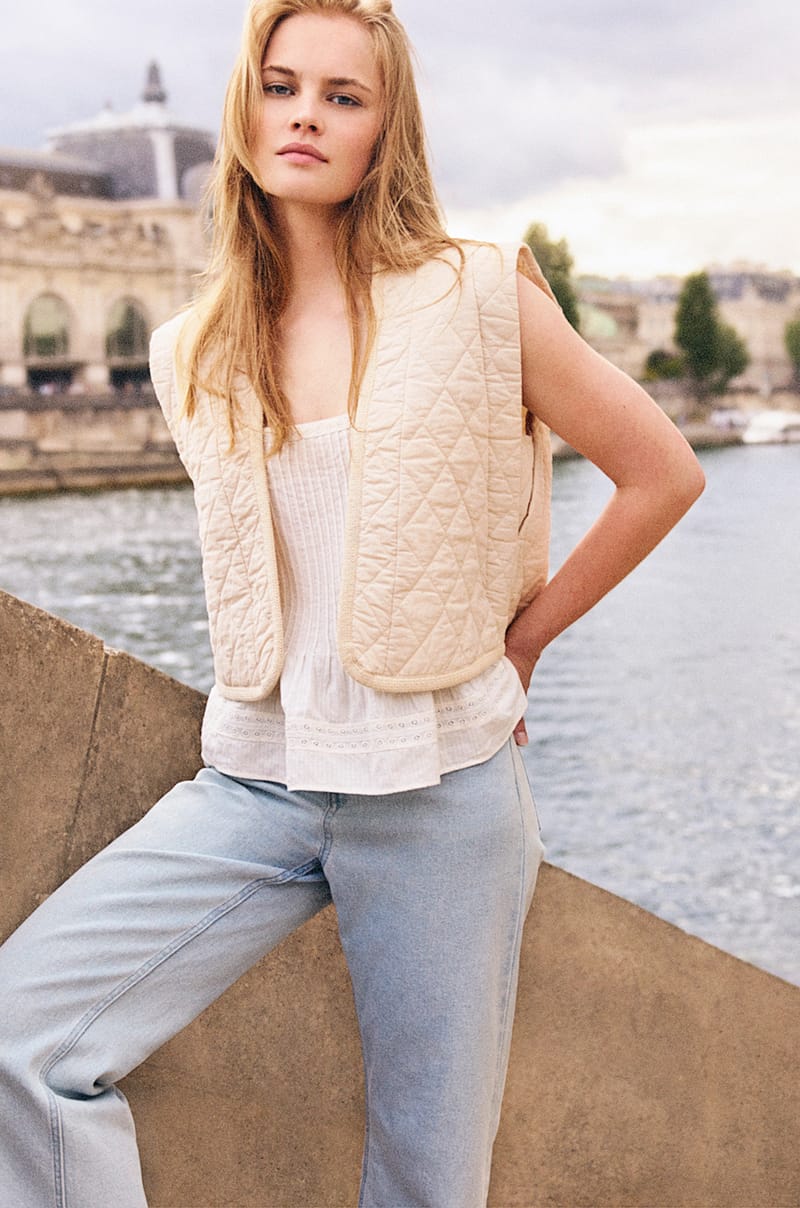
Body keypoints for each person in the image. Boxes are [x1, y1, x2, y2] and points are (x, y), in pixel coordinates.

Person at [0, 1, 705, 1205]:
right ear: (245, 107)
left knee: (426, 1180)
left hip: (439, 790)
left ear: (386, 128)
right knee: (26, 1036)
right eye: (281, 87)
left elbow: (661, 473)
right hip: (255, 778)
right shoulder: (190, 348)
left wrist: (523, 645)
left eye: (343, 96)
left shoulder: (476, 294)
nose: (306, 117)